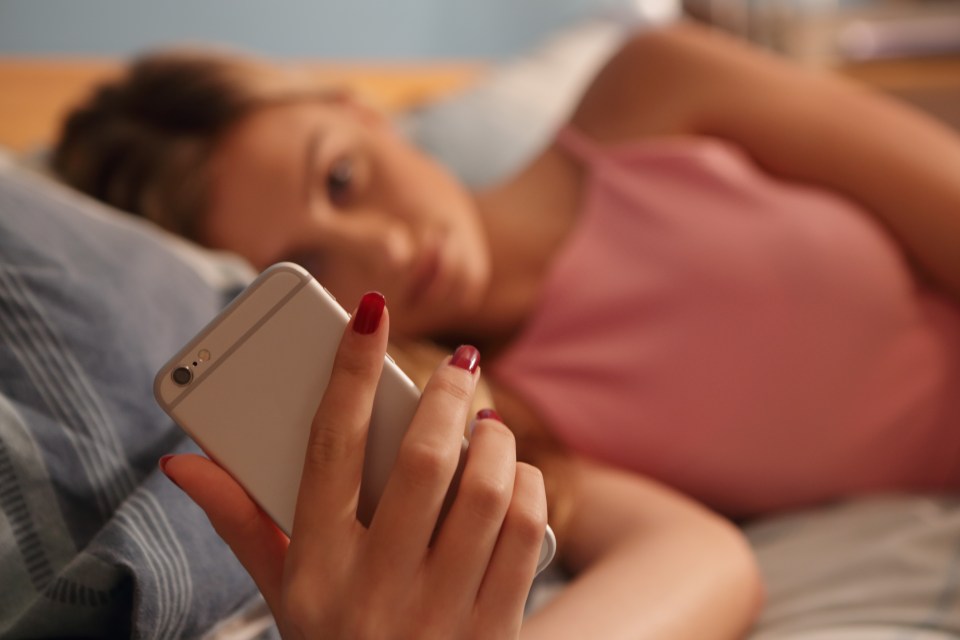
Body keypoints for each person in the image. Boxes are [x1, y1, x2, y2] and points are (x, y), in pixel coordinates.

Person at [52, 17, 960, 637]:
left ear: (360, 112)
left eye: (341, 179)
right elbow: (699, 559)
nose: (383, 248)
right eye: (311, 269)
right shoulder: (481, 424)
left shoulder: (654, 89)